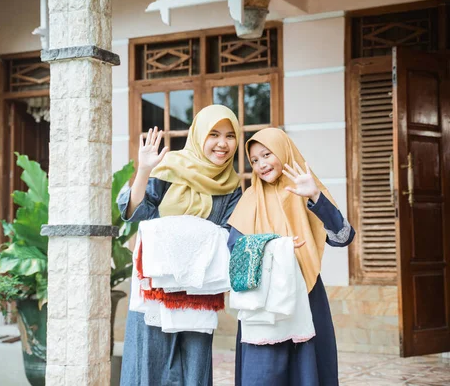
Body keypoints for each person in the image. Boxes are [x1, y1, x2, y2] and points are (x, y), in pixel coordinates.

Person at [118, 104, 243, 386]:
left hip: (199, 289)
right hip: (155, 287)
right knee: (149, 364)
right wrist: (144, 170)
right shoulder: (169, 167)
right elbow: (136, 213)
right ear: (199, 135)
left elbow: (227, 234)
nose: (222, 143)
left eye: (229, 135)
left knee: (194, 370)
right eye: (213, 134)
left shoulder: (232, 185)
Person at [227, 127, 355, 386]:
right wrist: (277, 247)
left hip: (306, 293)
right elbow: (235, 248)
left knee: (308, 369)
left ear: (283, 151)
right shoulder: (250, 198)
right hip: (263, 298)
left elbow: (343, 237)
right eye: (254, 160)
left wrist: (316, 196)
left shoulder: (305, 189)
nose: (261, 164)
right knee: (263, 372)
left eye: (267, 154)